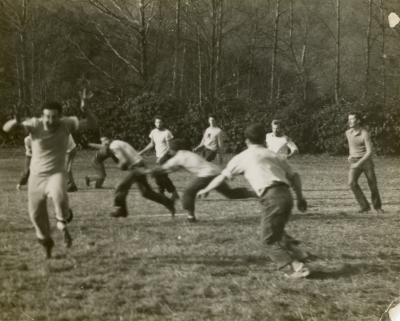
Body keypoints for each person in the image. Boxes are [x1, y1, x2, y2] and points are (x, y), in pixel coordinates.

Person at [197, 123, 311, 278]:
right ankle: (300, 254)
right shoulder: (272, 154)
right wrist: (300, 197)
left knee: (267, 240)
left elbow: (222, 177)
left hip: (271, 197)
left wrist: (206, 189)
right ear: (263, 139)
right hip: (286, 195)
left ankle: (297, 268)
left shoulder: (242, 157)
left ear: (246, 141)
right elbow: (295, 176)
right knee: (275, 230)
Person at [2, 96, 97, 259]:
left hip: (56, 174)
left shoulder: (66, 124)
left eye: (54, 117)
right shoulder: (35, 124)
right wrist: (15, 120)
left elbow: (93, 125)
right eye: (47, 116)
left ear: (60, 117)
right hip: (36, 177)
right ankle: (47, 243)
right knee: (36, 217)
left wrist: (86, 110)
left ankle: (64, 217)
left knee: (59, 196)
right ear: (42, 116)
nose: (50, 120)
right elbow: (6, 128)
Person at [152, 139, 255, 222]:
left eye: (170, 149)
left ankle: (190, 218)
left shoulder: (179, 156)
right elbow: (174, 168)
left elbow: (162, 168)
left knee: (188, 192)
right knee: (230, 194)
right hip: (216, 172)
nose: (169, 152)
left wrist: (145, 171)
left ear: (174, 149)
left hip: (207, 174)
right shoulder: (187, 154)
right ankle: (254, 193)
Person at [107, 139, 176, 218]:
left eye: (103, 141)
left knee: (121, 186)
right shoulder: (118, 142)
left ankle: (121, 210)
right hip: (140, 164)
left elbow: (124, 161)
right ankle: (169, 202)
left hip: (136, 167)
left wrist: (119, 166)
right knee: (146, 192)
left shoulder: (113, 146)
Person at [346, 112, 383, 213]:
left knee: (372, 184)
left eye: (352, 119)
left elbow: (369, 152)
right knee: (351, 183)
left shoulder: (364, 133)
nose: (349, 121)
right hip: (354, 161)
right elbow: (351, 146)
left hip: (366, 161)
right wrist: (350, 155)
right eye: (348, 119)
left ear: (358, 121)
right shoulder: (348, 133)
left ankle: (377, 207)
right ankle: (364, 206)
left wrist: (359, 163)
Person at [139, 116, 179, 200]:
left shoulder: (167, 132)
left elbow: (169, 148)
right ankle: (164, 193)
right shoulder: (153, 132)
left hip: (167, 156)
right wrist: (141, 152)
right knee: (160, 175)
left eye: (160, 122)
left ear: (163, 123)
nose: (159, 124)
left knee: (159, 174)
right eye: (157, 122)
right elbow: (151, 144)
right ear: (154, 123)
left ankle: (172, 192)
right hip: (159, 157)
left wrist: (162, 157)